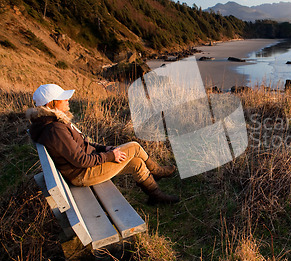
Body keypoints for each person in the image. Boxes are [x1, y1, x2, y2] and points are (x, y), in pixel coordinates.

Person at [26, 84, 179, 205]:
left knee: (137, 162)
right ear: (51, 104)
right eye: (63, 99)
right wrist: (110, 155)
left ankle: (156, 196)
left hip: (84, 168)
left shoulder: (54, 124)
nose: (67, 100)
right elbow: (81, 160)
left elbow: (84, 145)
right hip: (82, 174)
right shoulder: (55, 130)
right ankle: (157, 171)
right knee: (134, 146)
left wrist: (103, 148)